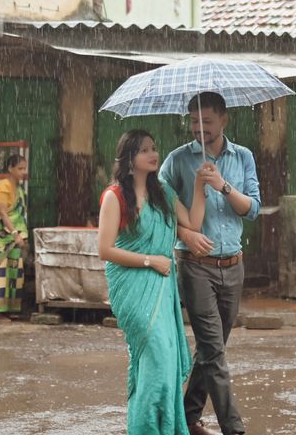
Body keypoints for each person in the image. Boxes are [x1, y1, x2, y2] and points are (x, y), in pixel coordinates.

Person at [159, 92, 261, 435]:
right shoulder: (176, 161)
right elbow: (157, 207)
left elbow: (253, 209)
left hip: (234, 265)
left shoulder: (243, 157)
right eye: (193, 121)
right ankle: (234, 428)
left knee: (211, 347)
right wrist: (185, 235)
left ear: (224, 120)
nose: (199, 128)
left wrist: (222, 185)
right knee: (214, 351)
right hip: (195, 266)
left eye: (207, 121)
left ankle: (186, 417)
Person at [98, 130, 207, 435]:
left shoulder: (163, 193)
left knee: (165, 362)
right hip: (132, 286)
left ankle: (163, 427)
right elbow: (105, 249)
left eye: (154, 147)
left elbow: (193, 224)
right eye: (144, 150)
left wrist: (200, 186)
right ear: (129, 159)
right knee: (157, 358)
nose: (153, 153)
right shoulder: (115, 196)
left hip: (161, 285)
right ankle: (144, 428)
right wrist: (150, 260)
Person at [0, 153, 29, 316]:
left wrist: (18, 236)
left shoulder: (19, 189)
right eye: (20, 168)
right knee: (1, 273)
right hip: (1, 237)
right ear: (10, 168)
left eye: (25, 169)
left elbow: (18, 214)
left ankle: (10, 309)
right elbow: (2, 212)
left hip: (15, 238)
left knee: (14, 272)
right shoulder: (3, 186)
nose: (23, 172)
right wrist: (15, 233)